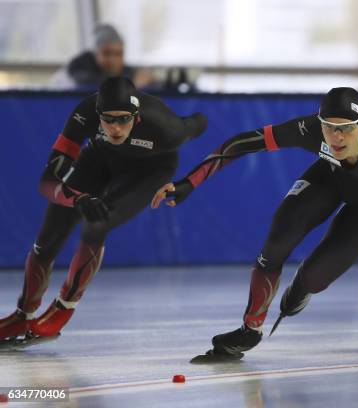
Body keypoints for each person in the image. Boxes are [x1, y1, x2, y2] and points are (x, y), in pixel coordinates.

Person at [151, 87, 358, 361]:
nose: (336, 137)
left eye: (345, 129)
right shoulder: (310, 131)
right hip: (329, 179)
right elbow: (240, 143)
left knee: (317, 277)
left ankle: (303, 285)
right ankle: (249, 330)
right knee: (279, 237)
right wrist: (190, 182)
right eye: (329, 127)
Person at [0, 77, 207, 345]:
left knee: (97, 223)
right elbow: (48, 182)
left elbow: (199, 121)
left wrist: (187, 182)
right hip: (99, 159)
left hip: (149, 170)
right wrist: (78, 199)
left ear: (137, 116)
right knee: (48, 236)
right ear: (97, 115)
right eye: (108, 119)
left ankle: (64, 306)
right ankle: (23, 313)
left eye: (124, 119)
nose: (117, 128)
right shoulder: (84, 113)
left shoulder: (166, 127)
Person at [49, 24, 153, 90]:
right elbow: (90, 84)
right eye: (107, 53)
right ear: (95, 53)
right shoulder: (78, 67)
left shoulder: (124, 71)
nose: (113, 60)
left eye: (118, 54)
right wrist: (132, 84)